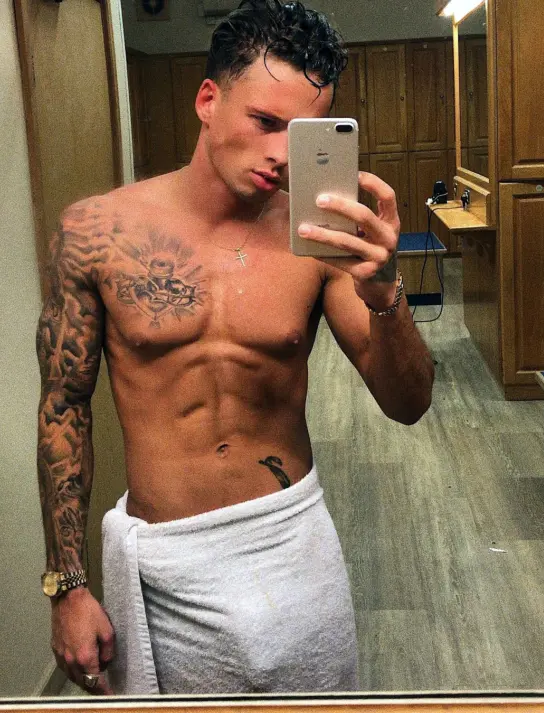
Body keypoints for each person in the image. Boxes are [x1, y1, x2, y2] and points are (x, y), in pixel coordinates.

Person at [36, 0, 434, 697]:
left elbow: (409, 403)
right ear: (208, 101)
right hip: (166, 566)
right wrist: (67, 585)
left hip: (290, 545)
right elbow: (64, 408)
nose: (281, 154)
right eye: (265, 122)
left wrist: (385, 290)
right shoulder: (96, 233)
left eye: (300, 132)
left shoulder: (320, 240)